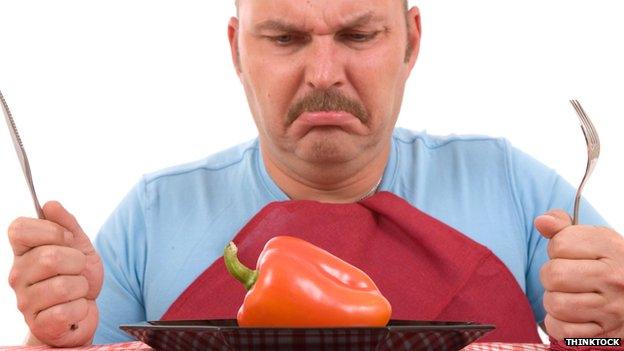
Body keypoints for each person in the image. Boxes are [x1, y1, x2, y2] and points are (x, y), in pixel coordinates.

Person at [6, 0, 624, 347]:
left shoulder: (514, 188)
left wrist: (606, 335)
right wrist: (52, 340)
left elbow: (598, 347)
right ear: (235, 49)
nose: (324, 72)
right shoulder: (153, 214)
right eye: (284, 38)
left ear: (410, 42)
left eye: (358, 35)